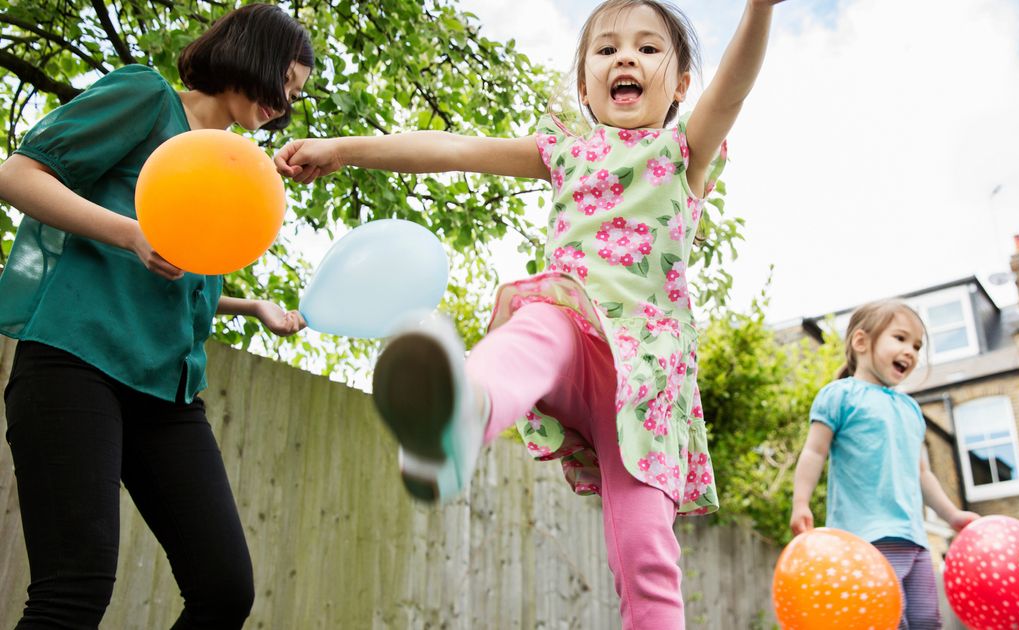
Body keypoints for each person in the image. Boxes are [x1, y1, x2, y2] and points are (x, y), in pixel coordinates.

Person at [275, 1, 784, 626]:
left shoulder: (683, 151)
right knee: (537, 324)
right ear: (585, 87)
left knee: (646, 554)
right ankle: (458, 417)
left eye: (649, 49)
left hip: (648, 382)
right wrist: (345, 149)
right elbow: (452, 147)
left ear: (680, 86)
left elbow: (732, 88)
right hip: (572, 330)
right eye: (607, 49)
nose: (626, 56)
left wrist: (758, 9)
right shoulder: (564, 153)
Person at [0, 5, 313, 627]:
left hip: (167, 395)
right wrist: (130, 232)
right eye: (286, 82)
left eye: (296, 96)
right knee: (74, 591)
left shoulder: (226, 165)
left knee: (225, 590)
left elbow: (171, 275)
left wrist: (247, 304)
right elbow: (18, 174)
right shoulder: (146, 97)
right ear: (249, 52)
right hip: (75, 362)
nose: (285, 102)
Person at [788, 299, 980, 630]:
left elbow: (923, 474)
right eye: (901, 339)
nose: (911, 351)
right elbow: (814, 453)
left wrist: (951, 514)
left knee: (926, 620)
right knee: (890, 621)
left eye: (917, 345)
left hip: (915, 538)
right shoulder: (840, 396)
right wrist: (801, 502)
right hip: (866, 539)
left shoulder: (911, 409)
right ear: (861, 342)